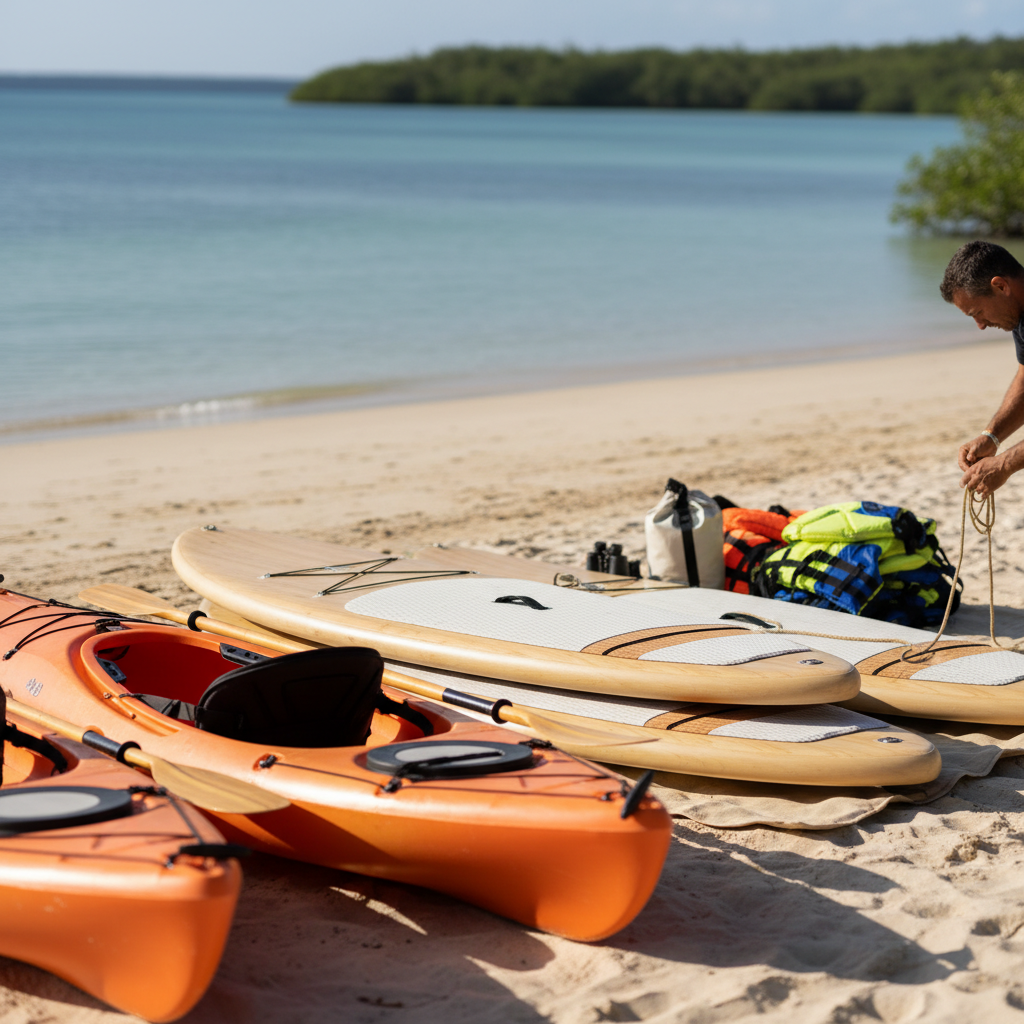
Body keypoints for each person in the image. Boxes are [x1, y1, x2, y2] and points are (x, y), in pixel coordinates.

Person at [942, 240, 1024, 498]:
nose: (980, 325)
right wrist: (992, 437)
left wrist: (1003, 464)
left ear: (1000, 286)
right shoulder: (1018, 313)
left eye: (978, 312)